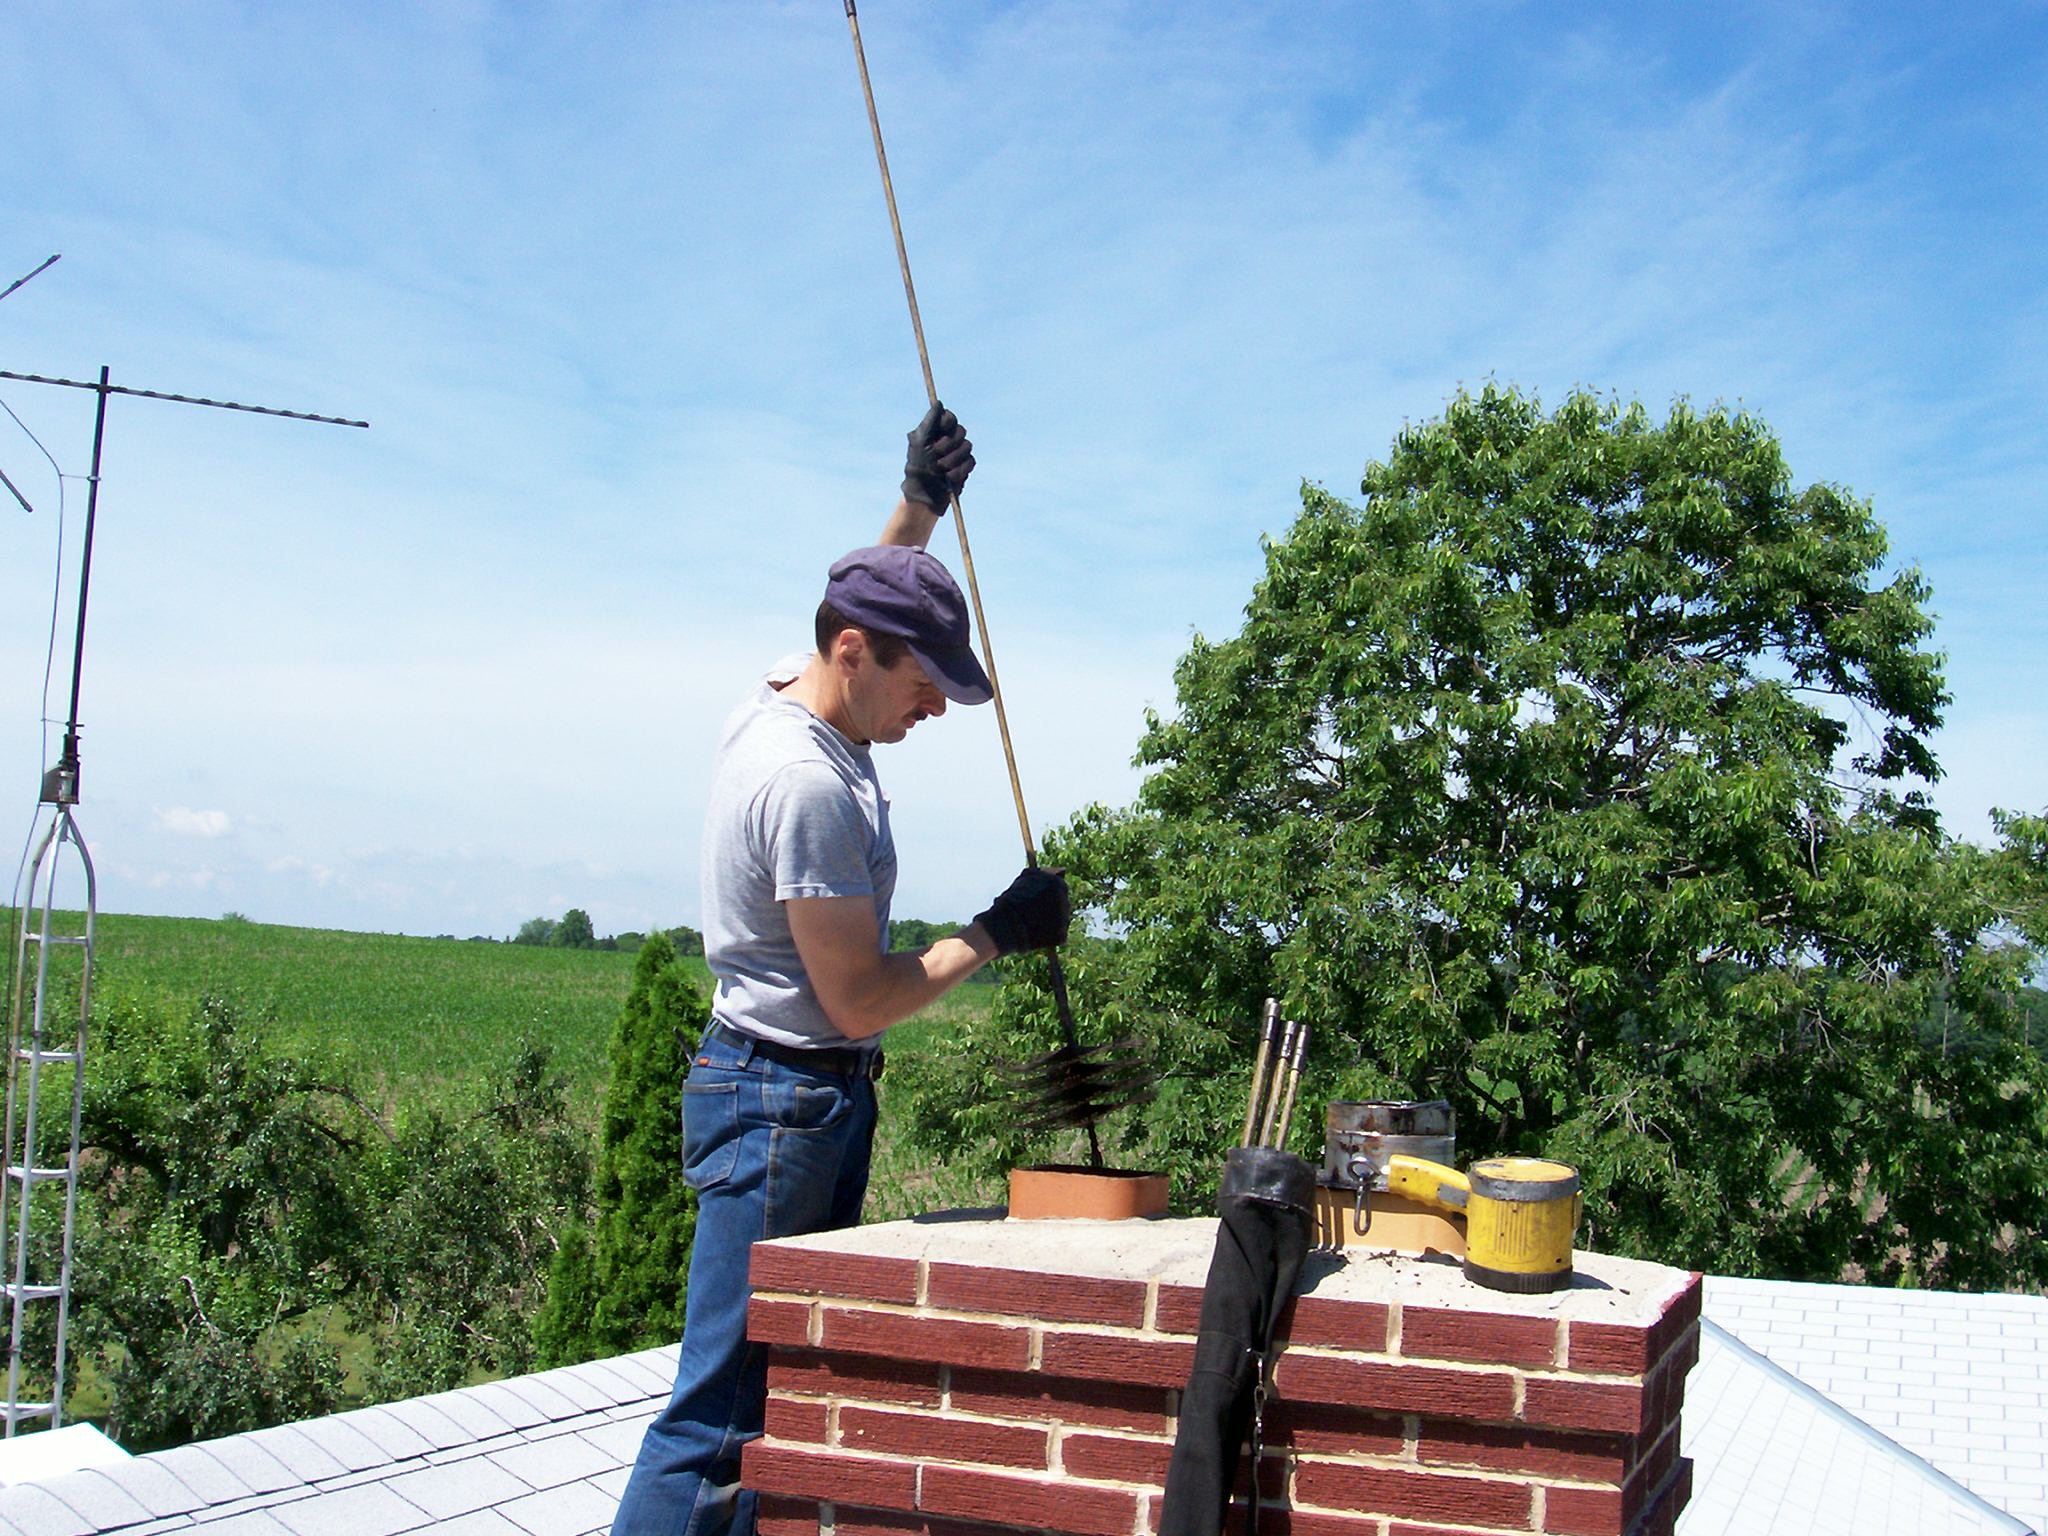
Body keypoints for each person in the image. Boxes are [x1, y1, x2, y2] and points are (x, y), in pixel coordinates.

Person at [610, 404, 1072, 1536]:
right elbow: (858, 998)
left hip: (790, 1094)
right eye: (927, 685)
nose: (937, 707)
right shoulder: (806, 785)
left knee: (764, 1394)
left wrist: (918, 503)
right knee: (722, 1415)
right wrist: (995, 933)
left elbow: (865, 599)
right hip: (782, 1105)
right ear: (856, 658)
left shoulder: (788, 688)